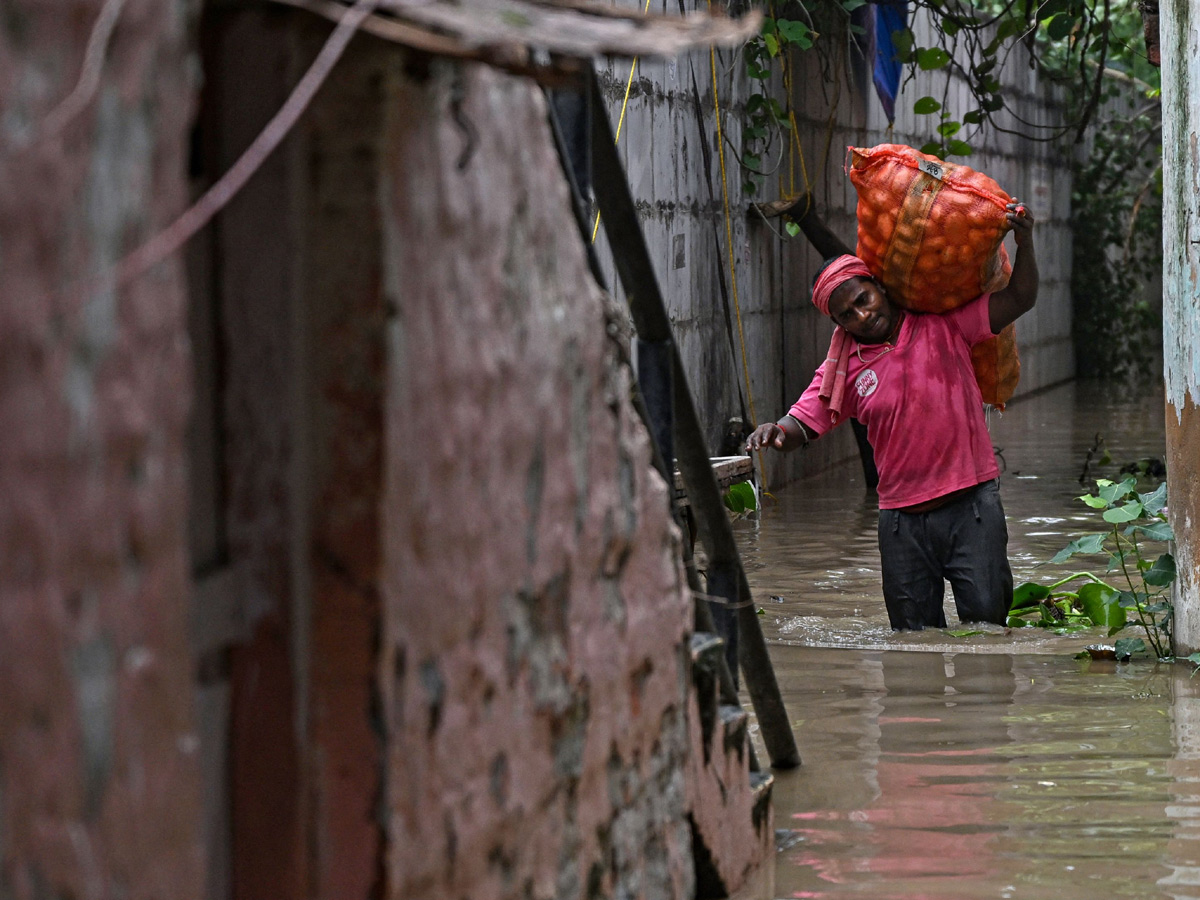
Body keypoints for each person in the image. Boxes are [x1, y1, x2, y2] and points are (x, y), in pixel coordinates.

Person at [747, 193, 1038, 631]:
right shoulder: (842, 371)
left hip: (972, 508)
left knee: (987, 633)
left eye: (864, 299)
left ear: (880, 288)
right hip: (901, 524)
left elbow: (1020, 298)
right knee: (914, 644)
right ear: (839, 325)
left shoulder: (944, 325)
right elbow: (800, 426)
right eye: (848, 314)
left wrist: (1026, 243)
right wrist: (773, 432)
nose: (863, 315)